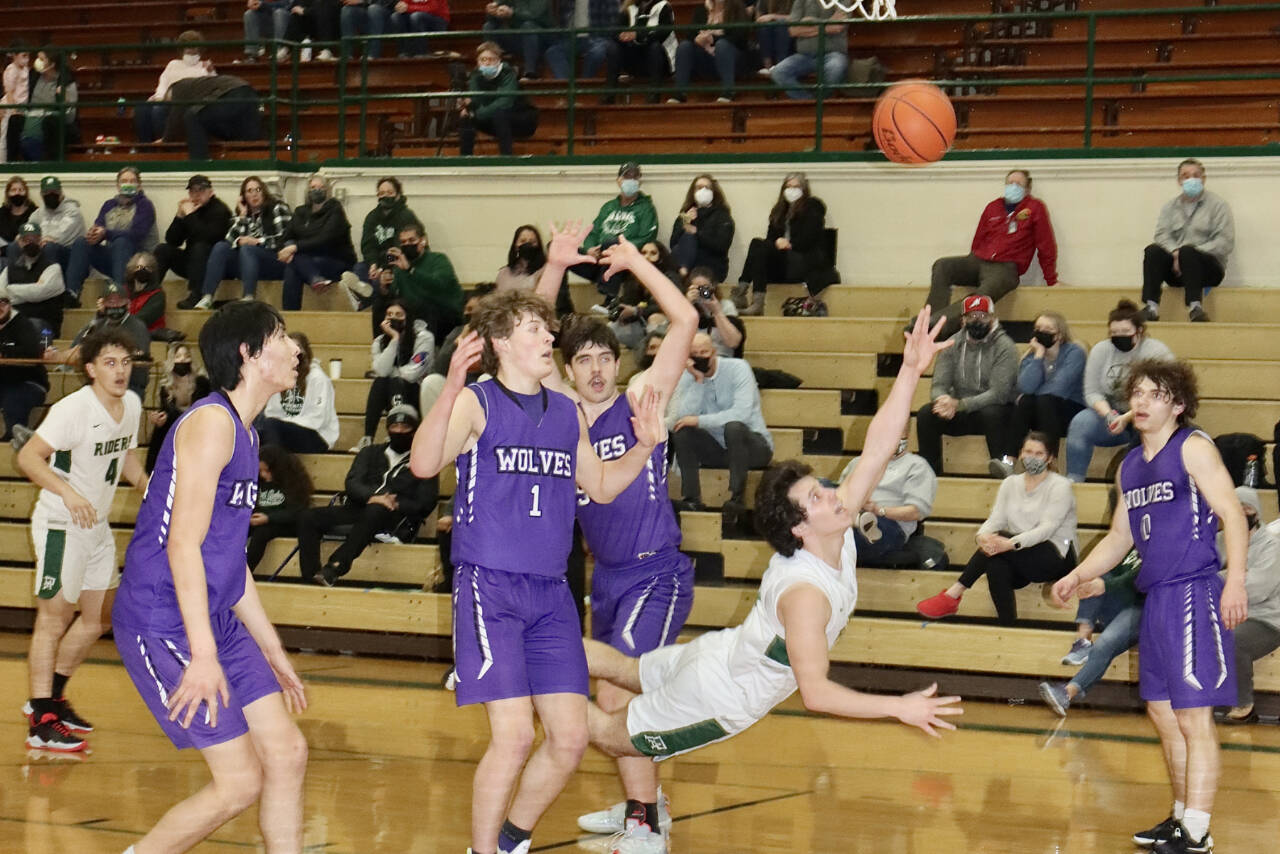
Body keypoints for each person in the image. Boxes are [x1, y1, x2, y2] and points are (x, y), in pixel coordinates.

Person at [579, 309, 962, 854]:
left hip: (720, 653)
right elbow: (817, 693)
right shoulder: (805, 595)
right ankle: (522, 677)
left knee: (624, 670)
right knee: (608, 734)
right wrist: (899, 708)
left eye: (823, 489)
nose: (835, 496)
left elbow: (878, 446)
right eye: (818, 497)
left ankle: (526, 650)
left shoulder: (831, 525)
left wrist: (910, 370)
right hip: (719, 696)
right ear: (801, 527)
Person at [409, 235, 667, 854]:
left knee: (570, 738)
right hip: (490, 587)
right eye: (534, 329)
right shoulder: (477, 403)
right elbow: (422, 465)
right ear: (501, 343)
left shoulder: (566, 413)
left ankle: (510, 841)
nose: (549, 336)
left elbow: (600, 486)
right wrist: (450, 387)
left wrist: (645, 446)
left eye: (548, 328)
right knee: (514, 738)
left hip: (551, 594)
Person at [111, 300, 309, 854]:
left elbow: (229, 560)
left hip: (213, 616)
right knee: (239, 783)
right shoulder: (211, 424)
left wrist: (272, 649)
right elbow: (183, 544)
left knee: (288, 753)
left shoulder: (246, 433)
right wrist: (203, 655)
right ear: (249, 354)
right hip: (163, 620)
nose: (294, 348)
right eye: (281, 336)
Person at [539, 236, 698, 849]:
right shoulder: (562, 414)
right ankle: (646, 799)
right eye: (585, 360)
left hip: (655, 571)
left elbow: (685, 320)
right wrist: (555, 267)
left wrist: (636, 264)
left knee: (613, 688)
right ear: (567, 368)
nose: (598, 369)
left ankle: (644, 821)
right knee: (610, 693)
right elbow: (529, 336)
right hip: (606, 578)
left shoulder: (639, 399)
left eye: (606, 356)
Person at [1051, 359, 1248, 854]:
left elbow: (1232, 513)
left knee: (1194, 717)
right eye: (1137, 393)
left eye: (1154, 394)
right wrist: (1078, 575)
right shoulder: (1130, 466)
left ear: (1177, 405)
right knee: (1163, 714)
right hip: (1156, 597)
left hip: (1194, 591)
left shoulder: (1193, 447)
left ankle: (1197, 831)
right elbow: (1120, 537)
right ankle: (1181, 817)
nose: (1141, 401)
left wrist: (1235, 583)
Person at [18, 327, 147, 752]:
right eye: (110, 363)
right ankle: (41, 722)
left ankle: (53, 698)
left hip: (97, 525)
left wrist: (148, 487)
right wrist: (69, 493)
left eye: (125, 362)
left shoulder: (132, 404)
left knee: (99, 617)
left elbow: (126, 455)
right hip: (62, 522)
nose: (120, 371)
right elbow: (28, 457)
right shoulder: (73, 409)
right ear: (91, 369)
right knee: (53, 619)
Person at [917, 431, 1078, 625]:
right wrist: (983, 537)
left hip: (1055, 557)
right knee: (995, 564)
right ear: (1020, 454)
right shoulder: (1011, 483)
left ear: (1050, 458)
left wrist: (1009, 544)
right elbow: (996, 519)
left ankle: (954, 594)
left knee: (999, 544)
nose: (1032, 458)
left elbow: (1047, 529)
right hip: (1019, 555)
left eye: (1039, 454)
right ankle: (1007, 626)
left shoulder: (1060, 486)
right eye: (1028, 452)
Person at [299, 403, 437, 585]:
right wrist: (373, 497)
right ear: (387, 428)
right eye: (394, 426)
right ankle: (310, 578)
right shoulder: (369, 452)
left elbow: (426, 502)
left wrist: (396, 503)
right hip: (359, 507)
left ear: (414, 430)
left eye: (405, 427)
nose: (399, 431)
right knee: (308, 517)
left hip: (394, 517)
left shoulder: (426, 460)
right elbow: (352, 483)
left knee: (376, 510)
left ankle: (335, 567)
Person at [926, 168, 1058, 339]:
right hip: (979, 260)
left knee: (980, 297)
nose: (1013, 186)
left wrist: (1051, 279)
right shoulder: (993, 207)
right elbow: (979, 238)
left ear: (1027, 189)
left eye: (1018, 184)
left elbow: (1046, 244)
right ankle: (927, 320)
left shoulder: (1035, 208)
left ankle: (937, 325)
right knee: (943, 266)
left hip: (1006, 268)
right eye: (1010, 183)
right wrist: (974, 258)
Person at [668, 330, 772, 531]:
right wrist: (698, 381)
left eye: (704, 352)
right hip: (719, 449)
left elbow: (741, 414)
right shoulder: (687, 376)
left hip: (753, 447)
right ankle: (692, 499)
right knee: (683, 431)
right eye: (694, 354)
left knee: (734, 427)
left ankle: (737, 499)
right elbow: (682, 417)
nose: (700, 357)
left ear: (714, 352)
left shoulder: (738, 368)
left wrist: (700, 420)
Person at [1064, 299, 1173, 483]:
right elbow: (1092, 391)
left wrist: (1127, 417)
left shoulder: (1155, 351)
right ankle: (1074, 480)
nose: (1119, 336)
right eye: (1114, 333)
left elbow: (1164, 393)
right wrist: (1109, 414)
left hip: (1146, 413)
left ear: (1139, 331)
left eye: (1125, 332)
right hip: (1113, 413)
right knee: (1081, 422)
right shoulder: (1101, 350)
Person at [914, 294, 1017, 475]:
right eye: (972, 316)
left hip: (995, 409)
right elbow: (938, 384)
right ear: (963, 320)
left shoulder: (1005, 346)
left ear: (992, 318)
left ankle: (1003, 469)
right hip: (960, 409)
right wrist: (942, 400)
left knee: (992, 413)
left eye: (983, 316)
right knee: (926, 414)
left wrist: (960, 404)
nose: (977, 320)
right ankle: (929, 474)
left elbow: (998, 393)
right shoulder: (952, 344)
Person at [1040, 548, 1143, 717]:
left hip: (1145, 608)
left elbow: (1142, 579)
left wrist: (1105, 586)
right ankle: (1083, 642)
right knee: (1096, 573)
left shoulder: (1159, 545)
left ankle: (1066, 693)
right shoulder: (1131, 544)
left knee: (1105, 643)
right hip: (1122, 604)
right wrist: (1085, 582)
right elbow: (1110, 568)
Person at [990, 310, 1085, 478]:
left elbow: (1060, 387)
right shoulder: (1031, 356)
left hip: (1071, 409)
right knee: (1026, 401)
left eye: (1048, 329)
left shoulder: (1074, 353)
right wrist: (1039, 355)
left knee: (1044, 400)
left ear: (1059, 335)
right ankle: (1009, 461)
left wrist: (1034, 394)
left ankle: (1051, 462)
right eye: (1038, 328)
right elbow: (1026, 387)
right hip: (1043, 410)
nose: (1041, 333)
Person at [1141, 158, 1234, 324]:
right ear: (1179, 181)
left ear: (1203, 179)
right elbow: (1161, 235)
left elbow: (1224, 242)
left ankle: (1195, 307)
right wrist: (1176, 253)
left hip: (1208, 270)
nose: (1191, 179)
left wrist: (1190, 253)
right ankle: (1151, 307)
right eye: (1185, 176)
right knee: (1152, 251)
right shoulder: (1170, 207)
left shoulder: (1218, 205)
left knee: (1188, 251)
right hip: (1177, 271)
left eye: (1196, 175)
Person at [1217, 486, 1280, 725]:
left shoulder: (1272, 546)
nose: (1243, 513)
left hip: (1266, 619)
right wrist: (1233, 578)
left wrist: (1220, 579)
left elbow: (1260, 589)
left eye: (1248, 508)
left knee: (1233, 640)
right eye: (1237, 508)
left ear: (1258, 512)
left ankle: (1244, 705)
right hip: (1222, 613)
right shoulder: (1218, 541)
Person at [735, 172, 838, 316]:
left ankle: (744, 295)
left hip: (802, 261)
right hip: (781, 263)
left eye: (796, 187)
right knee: (757, 244)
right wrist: (776, 242)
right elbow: (770, 239)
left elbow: (809, 238)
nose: (792, 190)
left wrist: (790, 244)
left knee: (758, 245)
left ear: (804, 189)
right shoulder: (779, 211)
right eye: (788, 186)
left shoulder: (812, 208)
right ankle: (751, 298)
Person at [837, 427, 936, 564]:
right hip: (848, 512)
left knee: (861, 531)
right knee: (822, 484)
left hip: (888, 523)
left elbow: (916, 512)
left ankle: (859, 522)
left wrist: (878, 510)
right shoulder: (857, 462)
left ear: (906, 434)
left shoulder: (917, 466)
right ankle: (855, 520)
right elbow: (839, 494)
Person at [349, 299, 433, 452]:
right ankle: (367, 438)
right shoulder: (380, 341)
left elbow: (412, 373)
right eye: (389, 314)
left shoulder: (424, 337)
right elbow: (381, 371)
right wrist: (394, 340)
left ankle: (400, 431)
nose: (393, 318)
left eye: (399, 315)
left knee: (395, 381)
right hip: (391, 393)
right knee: (380, 382)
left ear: (408, 317)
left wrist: (394, 373)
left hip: (417, 394)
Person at [204, 175, 293, 303]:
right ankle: (207, 297)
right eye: (249, 191)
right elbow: (229, 241)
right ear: (244, 196)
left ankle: (248, 296)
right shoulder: (244, 216)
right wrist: (242, 215)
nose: (254, 194)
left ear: (264, 192)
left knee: (248, 248)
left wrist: (257, 242)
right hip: (249, 265)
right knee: (220, 247)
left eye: (258, 190)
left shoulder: (277, 208)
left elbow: (286, 238)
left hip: (275, 261)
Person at [339, 176, 422, 310]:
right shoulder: (372, 217)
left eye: (389, 192)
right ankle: (364, 294)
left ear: (398, 195)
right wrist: (373, 264)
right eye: (382, 193)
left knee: (387, 277)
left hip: (400, 261)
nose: (385, 196)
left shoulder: (406, 216)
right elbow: (367, 245)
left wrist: (382, 268)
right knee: (359, 268)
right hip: (377, 261)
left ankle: (363, 299)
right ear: (377, 195)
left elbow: (400, 248)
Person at [577, 163, 660, 295]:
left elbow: (647, 237)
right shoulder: (608, 207)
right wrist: (590, 249)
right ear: (618, 181)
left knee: (611, 242)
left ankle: (609, 297)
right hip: (599, 257)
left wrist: (619, 246)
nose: (631, 180)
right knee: (558, 248)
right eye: (627, 177)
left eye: (634, 177)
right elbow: (593, 232)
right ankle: (559, 303)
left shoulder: (646, 208)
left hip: (625, 260)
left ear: (640, 182)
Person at [73, 166, 158, 294]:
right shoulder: (109, 205)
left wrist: (106, 233)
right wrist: (94, 235)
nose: (128, 184)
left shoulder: (145, 205)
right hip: (114, 259)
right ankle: (72, 293)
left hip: (139, 261)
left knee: (122, 242)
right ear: (118, 186)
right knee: (81, 242)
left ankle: (120, 294)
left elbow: (137, 235)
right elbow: (99, 227)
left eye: (132, 181)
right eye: (124, 181)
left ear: (139, 185)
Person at [372, 223, 461, 344]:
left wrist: (410, 270)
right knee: (380, 305)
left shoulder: (438, 259)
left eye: (411, 240)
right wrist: (384, 287)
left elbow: (439, 285)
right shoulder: (399, 267)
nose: (407, 244)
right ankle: (382, 345)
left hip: (444, 312)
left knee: (426, 307)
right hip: (413, 314)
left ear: (423, 241)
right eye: (403, 242)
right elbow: (394, 296)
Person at [279, 174, 356, 311]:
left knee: (295, 262)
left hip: (336, 261)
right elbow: (285, 237)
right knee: (292, 266)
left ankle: (290, 312)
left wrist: (295, 247)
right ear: (308, 191)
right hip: (306, 260)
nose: (317, 190)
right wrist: (287, 248)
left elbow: (325, 239)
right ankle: (292, 315)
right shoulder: (300, 212)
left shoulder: (335, 210)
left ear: (328, 191)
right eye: (313, 187)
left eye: (321, 187)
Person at [158, 174, 234, 311]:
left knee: (200, 247)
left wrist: (190, 215)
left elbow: (206, 237)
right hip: (192, 265)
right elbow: (172, 241)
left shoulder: (220, 210)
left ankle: (196, 295)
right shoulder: (191, 210)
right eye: (193, 191)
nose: (197, 194)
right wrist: (179, 216)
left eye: (201, 190)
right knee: (162, 249)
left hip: (213, 267)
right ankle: (149, 293)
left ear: (210, 192)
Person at [64, 283, 151, 401]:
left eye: (118, 302)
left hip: (129, 384)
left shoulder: (138, 326)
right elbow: (80, 345)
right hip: (99, 383)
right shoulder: (99, 323)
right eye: (110, 302)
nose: (114, 305)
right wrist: (97, 318)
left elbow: (139, 356)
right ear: (102, 305)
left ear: (128, 304)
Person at [261, 331, 339, 453]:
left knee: (271, 427)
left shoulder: (317, 378)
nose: (294, 354)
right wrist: (284, 425)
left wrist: (285, 424)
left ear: (305, 353)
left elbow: (317, 419)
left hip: (318, 436)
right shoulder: (280, 377)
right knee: (260, 430)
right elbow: (272, 412)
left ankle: (273, 463)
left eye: (297, 350)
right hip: (286, 431)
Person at [459, 42, 540, 157]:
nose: (487, 63)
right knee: (465, 116)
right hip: (490, 118)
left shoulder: (508, 73)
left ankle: (506, 157)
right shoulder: (476, 76)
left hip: (518, 119)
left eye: (491, 59)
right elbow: (476, 99)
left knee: (500, 113)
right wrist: (469, 107)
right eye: (483, 59)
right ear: (478, 62)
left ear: (498, 61)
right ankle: (465, 157)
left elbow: (505, 102)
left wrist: (478, 113)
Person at [135, 30, 216, 143]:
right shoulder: (173, 64)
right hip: (166, 99)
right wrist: (159, 97)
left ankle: (165, 144)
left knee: (159, 110)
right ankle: (145, 147)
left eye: (194, 53)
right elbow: (163, 83)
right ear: (182, 51)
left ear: (200, 51)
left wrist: (211, 72)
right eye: (189, 52)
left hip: (184, 103)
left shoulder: (204, 67)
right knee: (142, 109)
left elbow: (214, 85)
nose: (191, 56)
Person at [162, 74, 263, 160]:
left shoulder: (178, 87)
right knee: (243, 139)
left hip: (231, 92)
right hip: (248, 92)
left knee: (192, 116)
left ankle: (200, 162)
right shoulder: (198, 87)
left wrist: (164, 141)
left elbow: (176, 117)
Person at [247, 443, 314, 572]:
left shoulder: (293, 482)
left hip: (285, 524)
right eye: (260, 471)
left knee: (262, 532)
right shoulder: (258, 482)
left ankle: (244, 572)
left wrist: (268, 518)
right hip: (260, 520)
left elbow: (297, 512)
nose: (264, 475)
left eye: (267, 471)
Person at [146, 342, 213, 472]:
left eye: (186, 356)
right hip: (173, 426)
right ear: (172, 361)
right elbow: (166, 410)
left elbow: (202, 409)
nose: (182, 360)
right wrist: (159, 418)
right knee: (160, 433)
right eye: (178, 356)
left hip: (195, 427)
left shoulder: (201, 383)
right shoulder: (166, 385)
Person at [669, 0, 749, 104]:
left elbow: (741, 37)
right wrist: (697, 39)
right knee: (685, 46)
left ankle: (729, 91)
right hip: (707, 59)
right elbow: (690, 34)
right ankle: (679, 93)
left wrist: (713, 39)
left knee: (722, 45)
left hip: (731, 59)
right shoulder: (702, 10)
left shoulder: (737, 7)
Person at [768, 0, 848, 100]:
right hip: (804, 55)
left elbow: (837, 27)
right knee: (778, 72)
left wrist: (810, 21)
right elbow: (793, 31)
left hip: (833, 53)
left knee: (836, 67)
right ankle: (810, 101)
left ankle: (818, 100)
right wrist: (827, 23)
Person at [546, 0, 622, 101]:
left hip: (597, 37)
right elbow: (562, 22)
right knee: (553, 52)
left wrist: (599, 35)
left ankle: (583, 86)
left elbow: (613, 23)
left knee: (597, 52)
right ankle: (568, 89)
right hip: (572, 38)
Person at [28, 176, 87, 305]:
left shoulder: (73, 211)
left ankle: (71, 292)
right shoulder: (37, 214)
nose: (51, 195)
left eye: (54, 192)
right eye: (47, 192)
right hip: (47, 254)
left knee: (54, 246)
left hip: (71, 257)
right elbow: (29, 234)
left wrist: (45, 239)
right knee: (21, 248)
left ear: (61, 193)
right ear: (41, 194)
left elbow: (63, 236)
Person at [0, 285, 49, 442]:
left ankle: (14, 439)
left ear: (10, 305)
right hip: (3, 384)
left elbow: (32, 351)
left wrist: (4, 352)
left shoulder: (23, 324)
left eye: (3, 303)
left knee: (13, 398)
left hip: (30, 383)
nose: (0, 308)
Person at [1, 221, 65, 335]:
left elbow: (39, 292)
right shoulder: (9, 270)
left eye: (34, 239)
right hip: (15, 322)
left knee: (30, 326)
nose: (30, 243)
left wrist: (10, 290)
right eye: (26, 240)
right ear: (19, 242)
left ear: (41, 241)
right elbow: (1, 295)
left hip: (44, 325)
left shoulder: (53, 268)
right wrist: (29, 292)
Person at [669, 173, 734, 281]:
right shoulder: (685, 215)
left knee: (689, 236)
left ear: (714, 192)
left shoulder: (722, 216)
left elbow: (721, 246)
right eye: (699, 188)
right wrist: (685, 223)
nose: (703, 191)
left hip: (712, 265)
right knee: (681, 243)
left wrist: (696, 233)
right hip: (688, 263)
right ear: (693, 192)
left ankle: (683, 271)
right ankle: (683, 270)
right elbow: (673, 244)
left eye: (707, 188)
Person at [18, 51, 79, 162]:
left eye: (42, 59)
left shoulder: (66, 81)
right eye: (38, 58)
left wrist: (65, 101)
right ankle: (10, 164)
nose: (37, 62)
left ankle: (52, 163)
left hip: (53, 123)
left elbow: (70, 117)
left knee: (51, 121)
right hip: (31, 119)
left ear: (52, 64)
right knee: (14, 120)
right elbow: (24, 102)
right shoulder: (33, 77)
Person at [618, 0, 675, 103]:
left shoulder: (664, 6)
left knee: (654, 47)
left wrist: (638, 35)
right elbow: (616, 32)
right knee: (612, 47)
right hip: (638, 61)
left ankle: (654, 94)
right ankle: (609, 94)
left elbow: (661, 34)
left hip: (662, 63)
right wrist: (622, 36)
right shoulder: (630, 8)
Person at [482, 0, 554, 79]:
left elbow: (534, 16)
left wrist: (513, 14)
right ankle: (492, 68)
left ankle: (530, 73)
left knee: (528, 26)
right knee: (488, 26)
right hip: (514, 35)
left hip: (539, 36)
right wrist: (492, 12)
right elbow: (493, 16)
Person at [684, 266, 743, 357]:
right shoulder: (686, 307)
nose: (702, 292)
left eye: (705, 288)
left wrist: (717, 312)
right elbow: (672, 340)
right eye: (697, 289)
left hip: (722, 357)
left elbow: (733, 342)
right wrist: (686, 305)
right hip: (694, 357)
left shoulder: (726, 306)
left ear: (713, 287)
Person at [125, 251, 170, 338]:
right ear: (132, 269)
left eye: (147, 268)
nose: (143, 270)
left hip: (146, 336)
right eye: (139, 267)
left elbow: (142, 320)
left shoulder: (158, 295)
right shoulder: (124, 291)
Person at [2, 49, 30, 163]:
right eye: (24, 55)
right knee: (5, 138)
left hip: (22, 108)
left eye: (28, 56)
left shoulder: (26, 69)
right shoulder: (11, 69)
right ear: (14, 55)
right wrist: (13, 110)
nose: (26, 59)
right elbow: (9, 92)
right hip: (10, 107)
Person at [0, 175, 37, 255]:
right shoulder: (2, 213)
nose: (17, 193)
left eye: (21, 190)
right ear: (8, 193)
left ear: (26, 193)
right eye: (13, 190)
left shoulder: (35, 212)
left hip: (26, 252)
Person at [753, 0, 791, 75]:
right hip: (770, 31)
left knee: (781, 26)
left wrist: (773, 17)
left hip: (790, 32)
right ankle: (768, 67)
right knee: (764, 27)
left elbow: (796, 18)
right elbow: (758, 19)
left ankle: (781, 66)